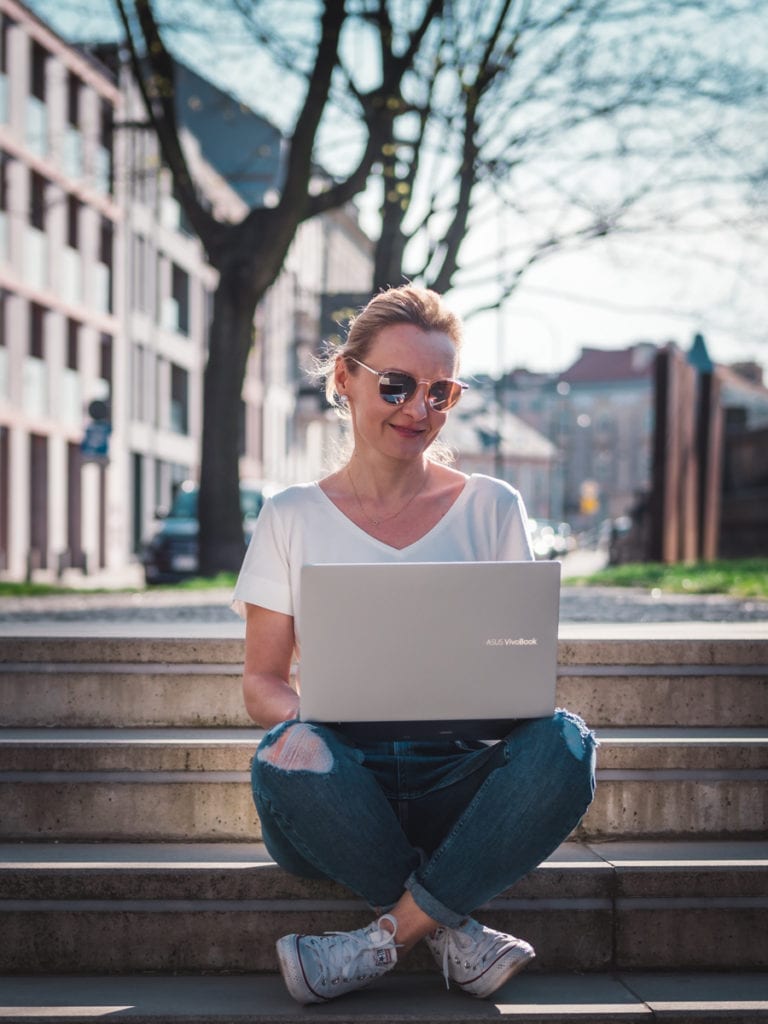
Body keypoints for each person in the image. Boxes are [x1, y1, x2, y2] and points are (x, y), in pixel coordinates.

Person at [233, 284, 597, 1005]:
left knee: (566, 745)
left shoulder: (493, 506)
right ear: (345, 379)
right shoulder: (290, 516)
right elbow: (261, 684)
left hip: (458, 785)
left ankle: (383, 940)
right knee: (281, 756)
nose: (419, 409)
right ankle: (453, 930)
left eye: (442, 391)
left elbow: (520, 670)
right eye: (397, 385)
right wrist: (307, 727)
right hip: (341, 786)